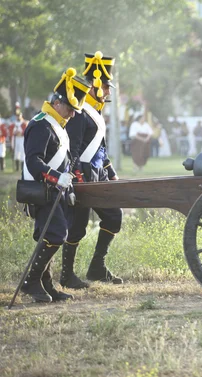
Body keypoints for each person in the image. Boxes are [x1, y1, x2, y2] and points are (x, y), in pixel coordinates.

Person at [20, 68, 91, 302]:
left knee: (53, 234)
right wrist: (55, 176)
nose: (72, 115)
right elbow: (33, 161)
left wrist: (69, 181)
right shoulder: (41, 124)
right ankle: (32, 281)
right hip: (42, 192)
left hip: (56, 191)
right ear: (58, 103)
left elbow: (66, 160)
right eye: (71, 109)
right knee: (57, 233)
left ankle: (46, 285)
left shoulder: (58, 125)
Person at [61, 51, 123, 289]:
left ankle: (97, 267)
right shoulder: (80, 113)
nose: (108, 92)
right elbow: (72, 149)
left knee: (113, 216)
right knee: (77, 226)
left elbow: (101, 149)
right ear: (95, 86)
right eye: (106, 87)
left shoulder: (95, 112)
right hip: (82, 176)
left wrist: (111, 172)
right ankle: (66, 276)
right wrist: (76, 178)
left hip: (97, 175)